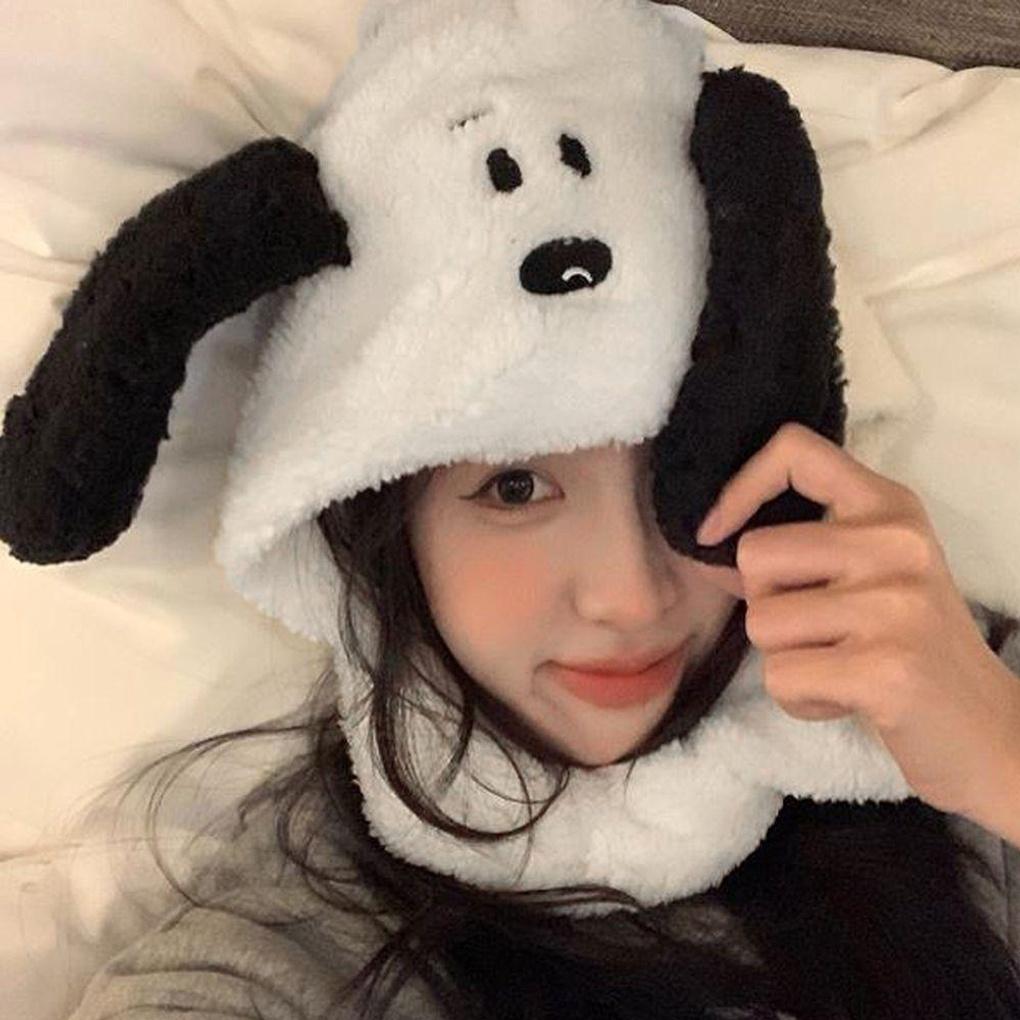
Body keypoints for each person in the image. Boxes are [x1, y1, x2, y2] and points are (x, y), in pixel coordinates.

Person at [2, 1, 1019, 1017]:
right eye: (517, 486)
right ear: (382, 523)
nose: (630, 596)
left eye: (686, 466)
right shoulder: (282, 961)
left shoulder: (953, 726)